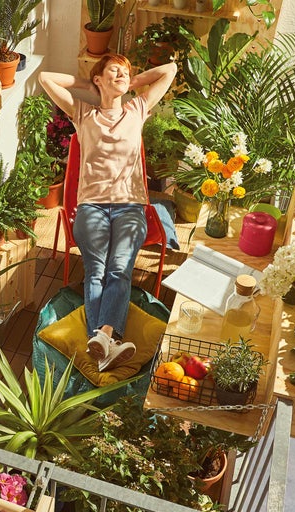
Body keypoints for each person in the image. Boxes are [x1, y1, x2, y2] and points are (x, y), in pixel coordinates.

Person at [39, 55, 176, 372]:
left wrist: (131, 81)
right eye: (113, 69)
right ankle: (106, 341)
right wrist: (89, 83)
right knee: (97, 271)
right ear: (98, 79)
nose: (122, 74)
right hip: (91, 207)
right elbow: (47, 77)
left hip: (129, 206)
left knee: (119, 269)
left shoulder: (137, 109)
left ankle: (102, 337)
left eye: (126, 71)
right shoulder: (84, 113)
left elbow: (169, 70)